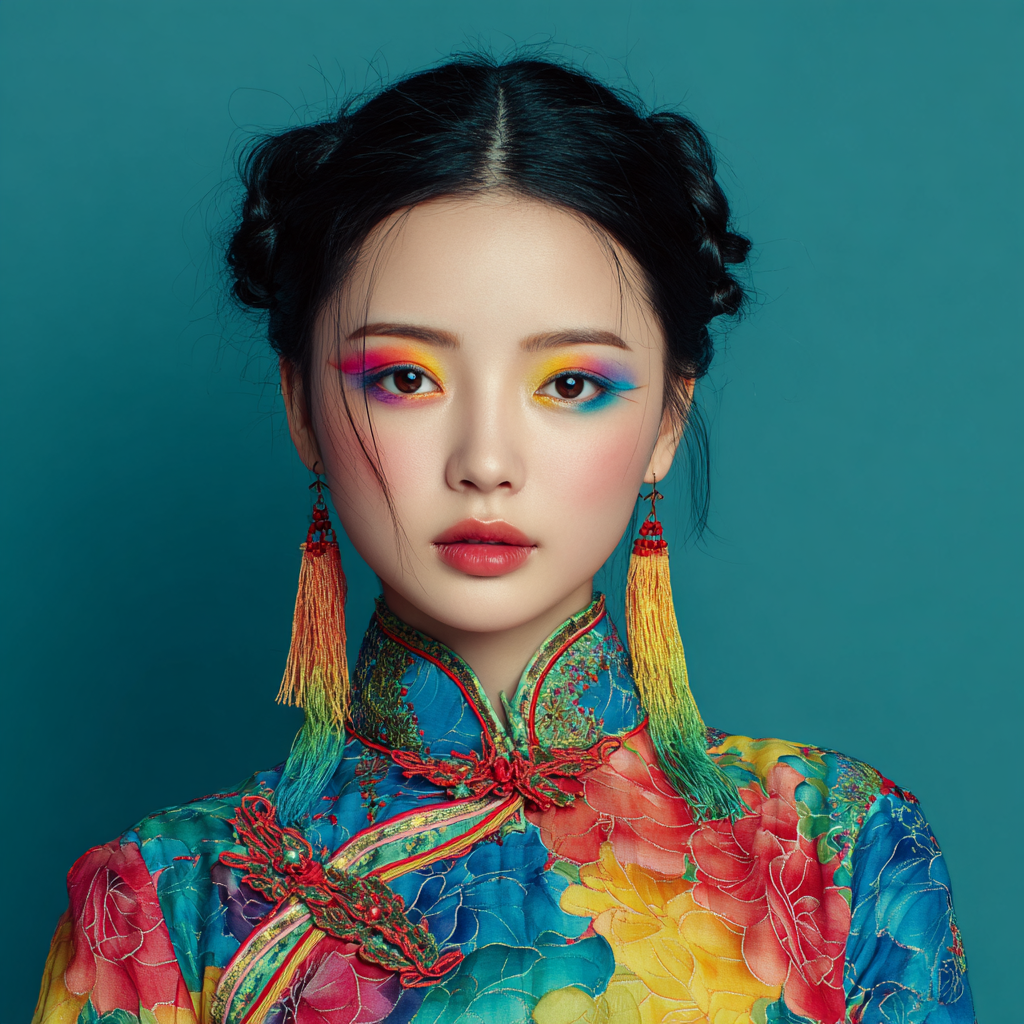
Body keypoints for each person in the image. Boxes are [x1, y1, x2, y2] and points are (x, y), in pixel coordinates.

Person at [33, 55, 974, 1024]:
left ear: (665, 419)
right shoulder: (160, 901)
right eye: (404, 379)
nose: (485, 459)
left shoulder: (839, 852)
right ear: (301, 407)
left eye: (569, 384)